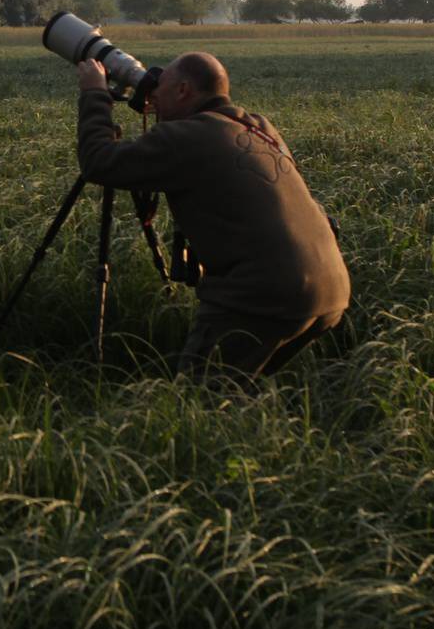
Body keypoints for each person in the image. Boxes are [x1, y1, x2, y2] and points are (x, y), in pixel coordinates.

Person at [74, 50, 348, 382]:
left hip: (261, 295)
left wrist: (94, 94)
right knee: (240, 388)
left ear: (183, 91)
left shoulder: (189, 137)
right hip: (330, 290)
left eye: (160, 86)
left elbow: (99, 162)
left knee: (201, 399)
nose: (152, 93)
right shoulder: (258, 126)